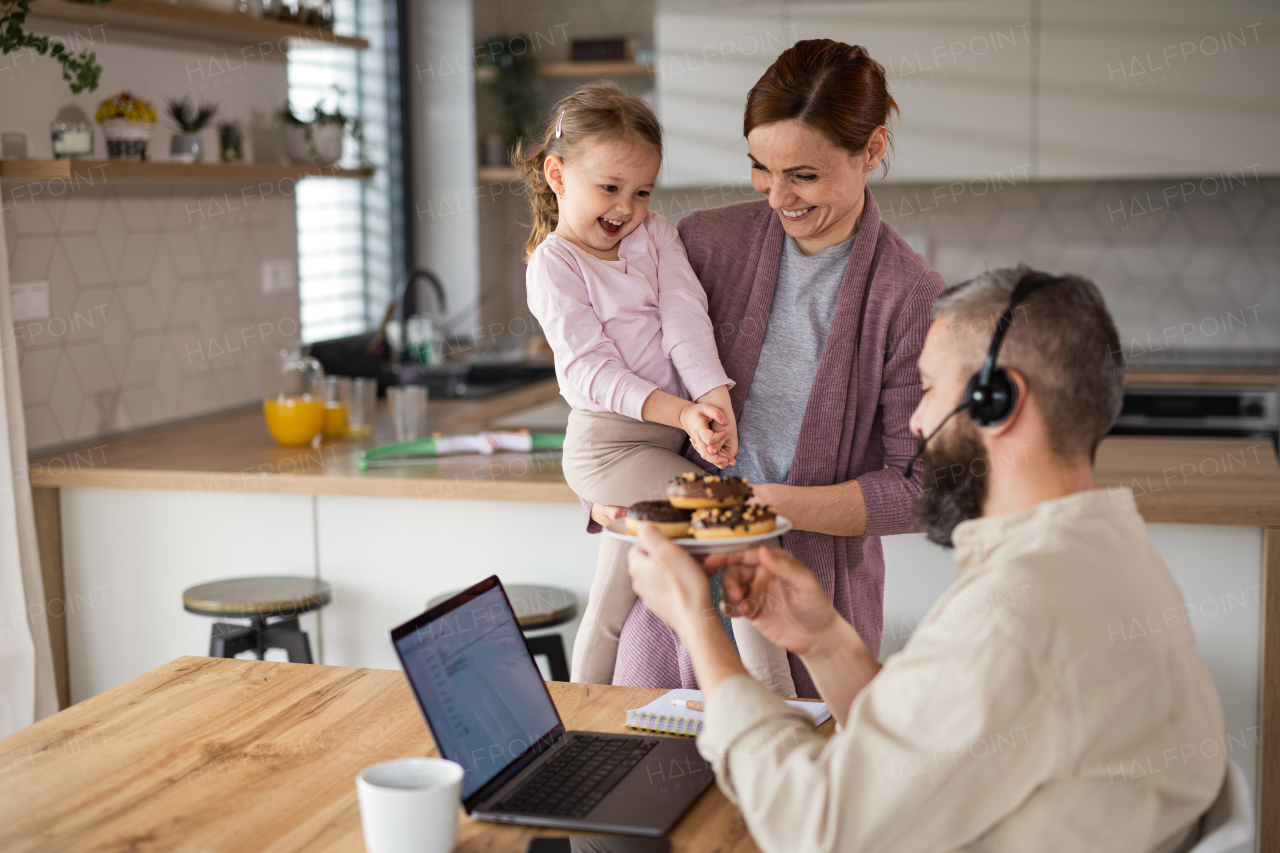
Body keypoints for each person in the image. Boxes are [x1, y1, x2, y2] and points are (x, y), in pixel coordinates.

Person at [627, 266, 1227, 852]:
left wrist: (697, 623)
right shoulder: (1104, 555)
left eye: (931, 389)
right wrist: (826, 642)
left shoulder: (1016, 615)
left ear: (996, 401)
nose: (915, 420)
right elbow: (932, 748)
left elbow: (812, 830)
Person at [584, 39, 946, 696]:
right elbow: (617, 362)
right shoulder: (702, 242)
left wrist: (763, 507)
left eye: (803, 174)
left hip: (805, 610)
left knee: (787, 785)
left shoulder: (910, 297)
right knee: (646, 778)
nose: (778, 196)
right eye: (760, 168)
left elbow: (917, 488)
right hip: (672, 595)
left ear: (872, 150)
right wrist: (605, 479)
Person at [521, 83, 792, 693]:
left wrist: (713, 398)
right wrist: (683, 412)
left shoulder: (655, 236)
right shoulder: (555, 264)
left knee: (612, 607)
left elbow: (685, 317)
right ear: (558, 175)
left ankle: (580, 721)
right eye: (610, 187)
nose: (626, 206)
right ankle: (781, 706)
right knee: (735, 526)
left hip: (661, 443)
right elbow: (589, 371)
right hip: (606, 451)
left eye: (642, 191)